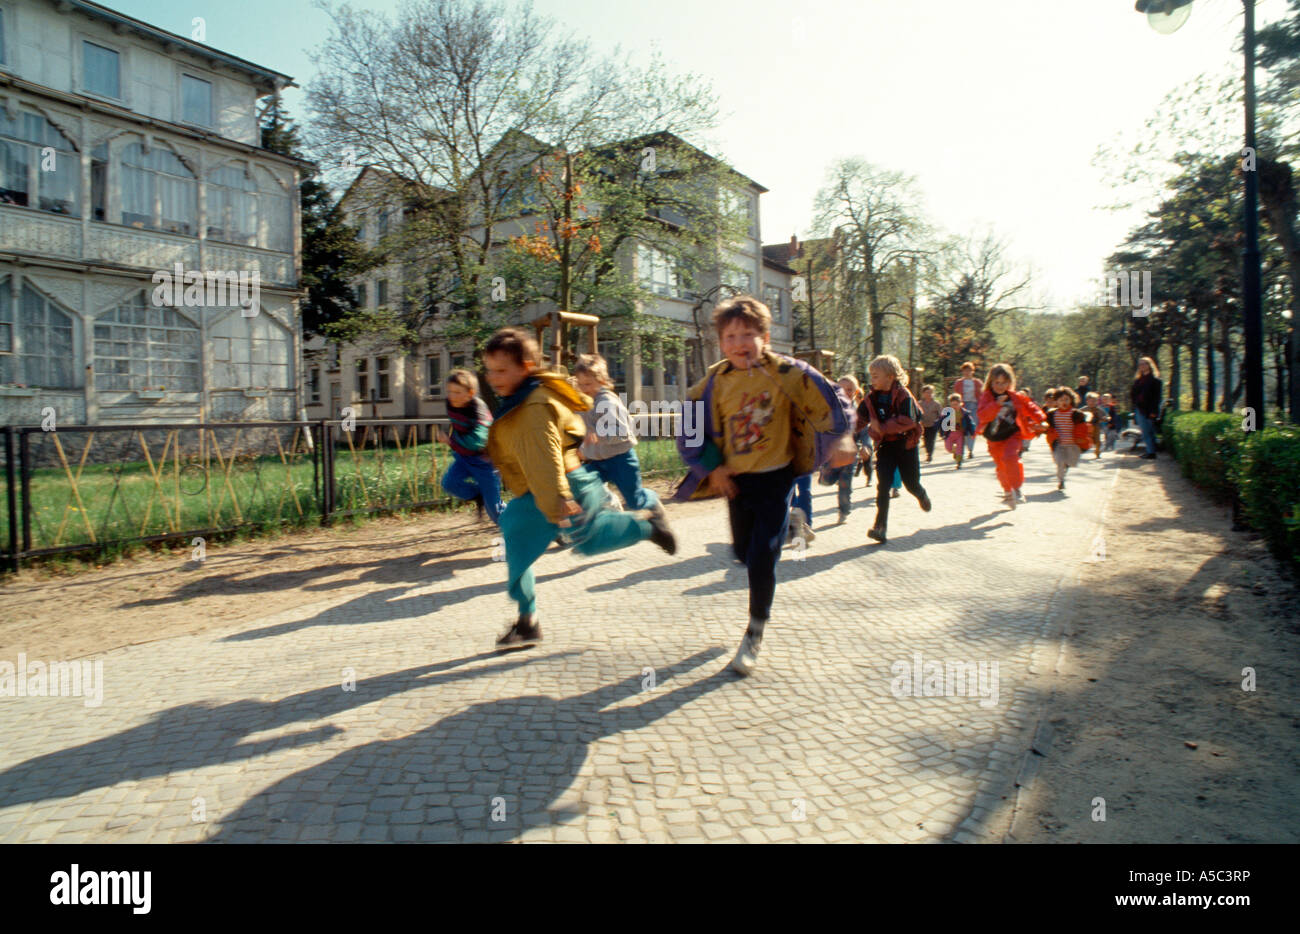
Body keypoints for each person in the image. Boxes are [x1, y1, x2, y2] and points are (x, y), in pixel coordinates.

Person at [674, 295, 853, 676]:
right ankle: (792, 522)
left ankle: (755, 629)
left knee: (760, 557)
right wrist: (711, 468)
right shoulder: (714, 381)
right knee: (741, 551)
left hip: (777, 475)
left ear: (765, 337)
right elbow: (690, 423)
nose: (740, 343)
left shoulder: (788, 372)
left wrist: (842, 437)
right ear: (720, 342)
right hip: (736, 481)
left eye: (749, 335)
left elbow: (832, 396)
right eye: (731, 336)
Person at [485, 328, 677, 648]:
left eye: (502, 370)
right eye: (490, 370)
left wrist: (559, 500)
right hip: (541, 490)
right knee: (515, 532)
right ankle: (527, 622)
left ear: (527, 367)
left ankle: (647, 526)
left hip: (562, 487)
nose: (494, 378)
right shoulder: (520, 397)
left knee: (588, 542)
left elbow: (546, 457)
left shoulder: (532, 406)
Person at [573, 353, 665, 518]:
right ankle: (597, 513)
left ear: (601, 381)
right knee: (581, 485)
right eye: (580, 384)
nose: (583, 389)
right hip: (599, 460)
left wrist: (598, 434)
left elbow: (620, 432)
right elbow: (580, 425)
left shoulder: (607, 401)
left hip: (621, 459)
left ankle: (651, 499)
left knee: (634, 502)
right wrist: (581, 448)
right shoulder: (582, 402)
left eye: (588, 384)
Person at [862, 355, 931, 544]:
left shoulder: (904, 395)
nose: (872, 380)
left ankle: (921, 494)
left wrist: (881, 428)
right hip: (885, 447)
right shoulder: (871, 398)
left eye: (876, 376)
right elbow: (858, 419)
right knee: (883, 485)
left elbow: (908, 420)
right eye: (871, 376)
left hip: (906, 445)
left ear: (890, 376)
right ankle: (880, 527)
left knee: (910, 483)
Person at [436, 368, 505, 525]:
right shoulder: (450, 403)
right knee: (450, 483)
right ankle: (479, 495)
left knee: (496, 512)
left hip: (485, 461)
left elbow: (477, 440)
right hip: (464, 458)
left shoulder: (478, 409)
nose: (452, 396)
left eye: (457, 392)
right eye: (450, 391)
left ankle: (525, 526)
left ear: (470, 393)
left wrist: (450, 441)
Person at [976, 363, 1045, 510]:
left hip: (1012, 434)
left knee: (1010, 457)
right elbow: (982, 415)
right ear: (991, 382)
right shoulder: (987, 397)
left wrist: (1042, 420)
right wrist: (995, 405)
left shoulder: (1015, 397)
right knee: (1001, 466)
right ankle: (1008, 491)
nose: (1000, 386)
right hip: (993, 438)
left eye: (1004, 382)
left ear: (1010, 382)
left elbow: (1030, 407)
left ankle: (1017, 489)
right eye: (997, 383)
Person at [820, 375, 868, 524]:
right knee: (825, 481)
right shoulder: (829, 407)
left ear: (855, 391)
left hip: (850, 454)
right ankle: (831, 477)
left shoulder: (858, 411)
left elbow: (864, 431)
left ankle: (844, 511)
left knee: (845, 485)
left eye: (849, 389)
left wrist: (865, 446)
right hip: (831, 454)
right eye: (840, 389)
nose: (844, 392)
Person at [1044, 386, 1092, 491]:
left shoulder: (1076, 414)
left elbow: (1084, 427)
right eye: (1061, 400)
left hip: (1073, 444)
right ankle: (1061, 480)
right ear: (1056, 401)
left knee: (1071, 462)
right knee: (1059, 462)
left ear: (1071, 400)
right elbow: (1046, 426)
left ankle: (1064, 470)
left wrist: (1082, 438)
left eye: (1066, 399)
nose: (1064, 402)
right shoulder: (1052, 414)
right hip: (1058, 444)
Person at [1130, 356, 1162, 460]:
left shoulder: (1155, 380)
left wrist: (1154, 411)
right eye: (1140, 364)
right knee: (1145, 431)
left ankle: (1151, 452)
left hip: (1149, 409)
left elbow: (1157, 398)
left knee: (1149, 431)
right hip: (1139, 408)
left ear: (1150, 365)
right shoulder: (1138, 380)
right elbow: (1133, 394)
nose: (1142, 366)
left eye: (1145, 364)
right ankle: (1150, 451)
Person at [950, 362, 983, 460]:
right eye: (965, 370)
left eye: (969, 370)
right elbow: (955, 397)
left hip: (974, 406)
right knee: (961, 428)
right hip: (962, 406)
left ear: (972, 371)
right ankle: (960, 450)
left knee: (972, 428)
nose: (967, 372)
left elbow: (982, 395)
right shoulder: (959, 383)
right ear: (962, 371)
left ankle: (970, 450)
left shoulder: (977, 382)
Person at [941, 393, 975, 468]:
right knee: (948, 448)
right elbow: (941, 422)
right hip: (950, 433)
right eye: (952, 404)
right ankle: (955, 452)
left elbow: (970, 423)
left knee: (960, 448)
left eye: (956, 404)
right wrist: (940, 430)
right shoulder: (947, 413)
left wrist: (972, 433)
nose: (954, 406)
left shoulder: (965, 413)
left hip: (960, 433)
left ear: (961, 403)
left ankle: (959, 462)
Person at [919, 384, 943, 463]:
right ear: (923, 393)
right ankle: (927, 452)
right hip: (924, 425)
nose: (928, 394)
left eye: (930, 392)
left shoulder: (936, 404)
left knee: (931, 440)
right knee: (926, 440)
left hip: (933, 425)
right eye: (926, 392)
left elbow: (940, 414)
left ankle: (930, 454)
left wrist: (940, 423)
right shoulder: (919, 404)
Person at [1081, 392, 1106, 458]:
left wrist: (1105, 418)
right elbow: (1077, 414)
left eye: (1094, 401)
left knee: (1097, 441)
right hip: (1086, 427)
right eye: (1090, 401)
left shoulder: (1099, 409)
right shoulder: (1084, 409)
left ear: (1097, 402)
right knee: (1085, 439)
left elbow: (1105, 416)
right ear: (1087, 401)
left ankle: (1097, 452)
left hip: (1096, 427)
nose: (1092, 403)